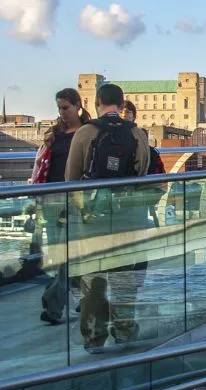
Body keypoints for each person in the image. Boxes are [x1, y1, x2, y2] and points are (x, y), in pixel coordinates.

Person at [65, 83, 151, 352]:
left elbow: (71, 179)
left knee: (93, 283)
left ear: (97, 102)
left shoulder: (85, 133)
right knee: (125, 281)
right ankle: (124, 331)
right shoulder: (137, 134)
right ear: (122, 104)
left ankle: (93, 337)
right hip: (128, 220)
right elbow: (141, 176)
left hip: (92, 222)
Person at [36, 89, 91, 325]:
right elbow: (41, 166)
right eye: (59, 108)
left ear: (78, 106)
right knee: (63, 255)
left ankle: (54, 304)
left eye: (66, 107)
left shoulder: (87, 133)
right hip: (51, 201)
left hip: (75, 201)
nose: (62, 112)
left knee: (68, 255)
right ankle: (88, 297)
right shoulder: (54, 135)